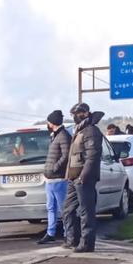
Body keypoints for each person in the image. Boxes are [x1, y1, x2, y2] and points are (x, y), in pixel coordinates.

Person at [63, 103, 105, 253]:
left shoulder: (91, 130)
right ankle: (72, 239)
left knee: (86, 211)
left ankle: (87, 243)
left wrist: (83, 176)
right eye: (73, 113)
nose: (75, 116)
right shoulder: (79, 130)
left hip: (83, 178)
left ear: (86, 113)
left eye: (78, 113)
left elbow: (92, 156)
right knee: (68, 209)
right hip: (73, 177)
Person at [39, 110, 70, 245]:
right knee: (51, 207)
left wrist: (55, 168)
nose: (47, 124)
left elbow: (66, 155)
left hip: (58, 178)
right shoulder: (55, 136)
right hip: (50, 178)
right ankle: (51, 232)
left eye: (48, 122)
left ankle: (67, 233)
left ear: (52, 123)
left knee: (63, 208)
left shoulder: (63, 136)